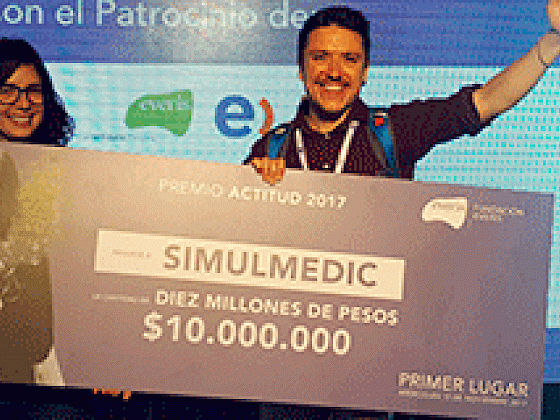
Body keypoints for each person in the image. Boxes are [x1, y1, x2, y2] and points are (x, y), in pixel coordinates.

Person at [245, 1, 560, 185]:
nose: (334, 72)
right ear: (301, 69)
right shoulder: (270, 148)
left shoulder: (397, 129)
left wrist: (552, 42)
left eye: (350, 59)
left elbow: (487, 101)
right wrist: (255, 190)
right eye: (320, 57)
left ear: (365, 72)